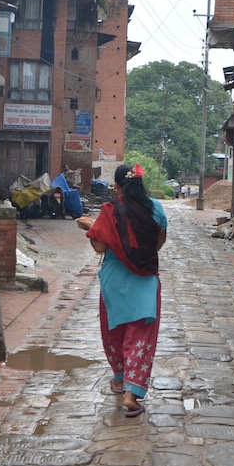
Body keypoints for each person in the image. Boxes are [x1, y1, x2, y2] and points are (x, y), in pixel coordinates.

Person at [84, 162, 167, 416]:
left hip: (115, 281)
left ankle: (119, 379)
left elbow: (99, 247)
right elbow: (157, 243)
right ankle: (131, 395)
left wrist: (90, 227)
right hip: (144, 281)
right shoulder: (156, 208)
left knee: (115, 332)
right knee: (140, 338)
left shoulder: (109, 210)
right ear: (139, 183)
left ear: (117, 187)